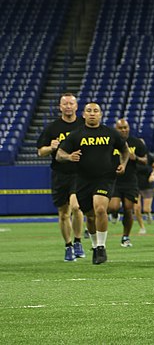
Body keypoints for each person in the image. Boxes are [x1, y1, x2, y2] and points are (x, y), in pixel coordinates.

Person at [56, 103, 129, 265]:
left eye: (95, 111)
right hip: (83, 180)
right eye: (89, 111)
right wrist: (69, 157)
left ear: (101, 115)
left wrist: (123, 164)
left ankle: (102, 247)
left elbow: (125, 149)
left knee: (101, 209)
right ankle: (95, 246)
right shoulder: (76, 135)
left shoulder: (110, 133)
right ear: (84, 114)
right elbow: (59, 154)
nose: (92, 114)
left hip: (105, 178)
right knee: (90, 216)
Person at [36, 92, 86, 262]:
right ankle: (68, 245)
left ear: (76, 106)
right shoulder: (52, 128)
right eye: (65, 104)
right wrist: (50, 147)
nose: (68, 106)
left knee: (77, 207)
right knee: (63, 214)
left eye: (71, 103)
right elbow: (40, 151)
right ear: (60, 107)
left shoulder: (83, 125)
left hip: (79, 173)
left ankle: (78, 241)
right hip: (60, 173)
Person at [110, 119, 148, 247]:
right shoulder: (110, 143)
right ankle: (114, 213)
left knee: (128, 209)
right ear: (116, 129)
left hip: (130, 181)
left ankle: (125, 237)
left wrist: (135, 157)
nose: (123, 130)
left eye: (125, 127)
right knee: (113, 206)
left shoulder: (136, 143)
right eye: (120, 128)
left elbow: (145, 160)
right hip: (114, 180)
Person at [134, 152, 154, 234]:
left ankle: (148, 214)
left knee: (146, 209)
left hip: (147, 184)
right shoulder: (133, 157)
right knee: (137, 208)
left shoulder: (149, 156)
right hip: (135, 185)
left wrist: (153, 174)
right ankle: (142, 227)